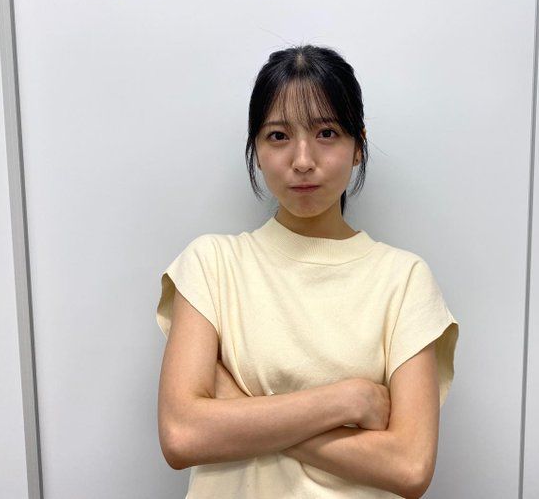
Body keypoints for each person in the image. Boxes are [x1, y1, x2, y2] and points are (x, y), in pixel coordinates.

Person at [155, 44, 459, 499]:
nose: (302, 160)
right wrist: (347, 400)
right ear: (256, 149)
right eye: (278, 135)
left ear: (358, 146)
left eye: (326, 133)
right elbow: (182, 435)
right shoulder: (211, 264)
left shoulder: (403, 279)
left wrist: (243, 411)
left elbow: (410, 466)